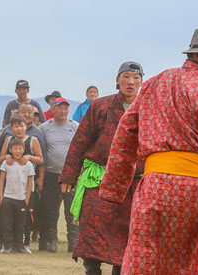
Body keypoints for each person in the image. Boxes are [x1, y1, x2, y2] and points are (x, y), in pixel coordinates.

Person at [99, 27, 198, 273]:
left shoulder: (153, 84)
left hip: (154, 189)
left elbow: (125, 132)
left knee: (150, 263)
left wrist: (114, 187)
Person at [59, 61, 145, 274]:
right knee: (91, 229)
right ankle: (92, 271)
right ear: (117, 80)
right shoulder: (100, 106)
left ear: (142, 82)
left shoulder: (148, 109)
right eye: (126, 76)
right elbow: (80, 141)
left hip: (133, 182)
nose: (130, 82)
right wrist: (69, 175)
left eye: (135, 78)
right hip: (99, 178)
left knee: (126, 233)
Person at [0, 104, 48, 251]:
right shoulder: (8, 140)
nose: (19, 129)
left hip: (26, 184)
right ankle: (5, 243)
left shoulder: (33, 140)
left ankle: (23, 243)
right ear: (12, 128)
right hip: (9, 185)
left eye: (21, 126)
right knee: (5, 216)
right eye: (16, 126)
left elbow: (41, 159)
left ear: (26, 126)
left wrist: (29, 157)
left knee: (26, 215)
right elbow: (0, 157)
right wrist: (7, 156)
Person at [39, 97, 79, 253]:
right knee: (51, 210)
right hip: (51, 175)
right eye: (59, 108)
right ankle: (52, 241)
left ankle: (73, 243)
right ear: (53, 109)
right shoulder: (44, 128)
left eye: (65, 108)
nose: (63, 111)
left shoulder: (75, 127)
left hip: (70, 175)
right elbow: (41, 151)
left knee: (71, 210)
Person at [0, 138, 35, 254]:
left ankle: (20, 246)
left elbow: (30, 182)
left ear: (24, 149)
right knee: (7, 224)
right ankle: (6, 246)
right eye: (15, 149)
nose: (18, 151)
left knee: (20, 225)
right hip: (8, 198)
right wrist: (1, 196)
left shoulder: (28, 165)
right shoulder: (6, 163)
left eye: (20, 148)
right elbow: (1, 180)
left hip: (21, 199)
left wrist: (27, 198)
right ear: (10, 150)